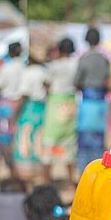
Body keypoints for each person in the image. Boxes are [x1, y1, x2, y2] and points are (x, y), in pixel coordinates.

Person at [41, 38, 79, 187]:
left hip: (55, 103)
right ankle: (70, 181)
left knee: (49, 140)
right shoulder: (76, 65)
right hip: (70, 103)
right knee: (69, 141)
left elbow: (46, 83)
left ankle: (46, 180)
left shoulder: (54, 66)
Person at [11, 40, 49, 188]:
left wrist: (15, 115)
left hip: (30, 109)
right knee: (39, 141)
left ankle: (26, 181)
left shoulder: (27, 73)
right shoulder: (45, 72)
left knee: (25, 142)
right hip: (42, 109)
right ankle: (40, 180)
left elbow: (23, 96)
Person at [74, 27, 110, 173]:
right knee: (99, 137)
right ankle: (98, 169)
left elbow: (77, 81)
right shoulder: (104, 60)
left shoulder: (84, 59)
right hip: (101, 102)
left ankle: (84, 171)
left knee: (84, 138)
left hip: (88, 101)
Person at [0, 43, 24, 186]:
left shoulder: (6, 67)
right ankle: (17, 175)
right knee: (19, 139)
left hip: (7, 105)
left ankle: (10, 173)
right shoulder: (24, 67)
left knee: (4, 140)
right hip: (23, 104)